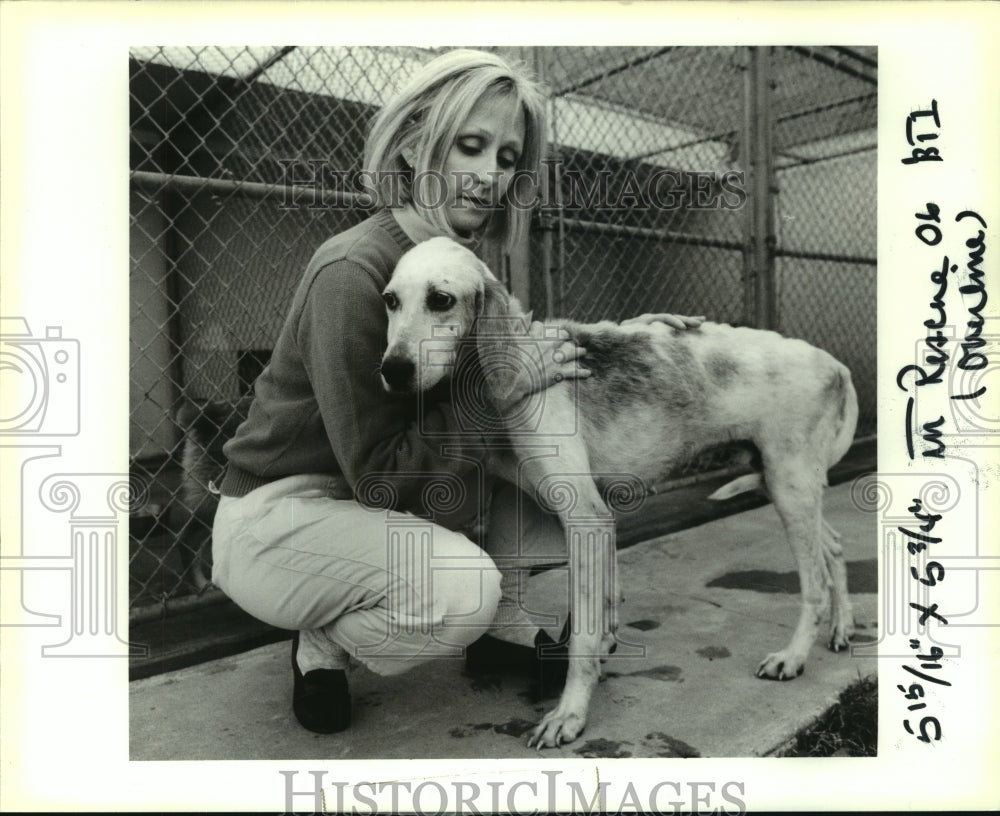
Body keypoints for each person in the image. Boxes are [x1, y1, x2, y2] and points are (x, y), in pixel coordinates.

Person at [211, 48, 702, 734]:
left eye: (506, 157)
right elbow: (382, 477)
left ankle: (502, 629)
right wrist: (495, 395)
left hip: (362, 505)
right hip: (283, 515)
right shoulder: (357, 271)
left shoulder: (460, 264)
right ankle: (324, 641)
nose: (490, 176)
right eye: (471, 146)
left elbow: (512, 379)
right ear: (414, 147)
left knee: (549, 479)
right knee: (461, 589)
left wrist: (610, 350)